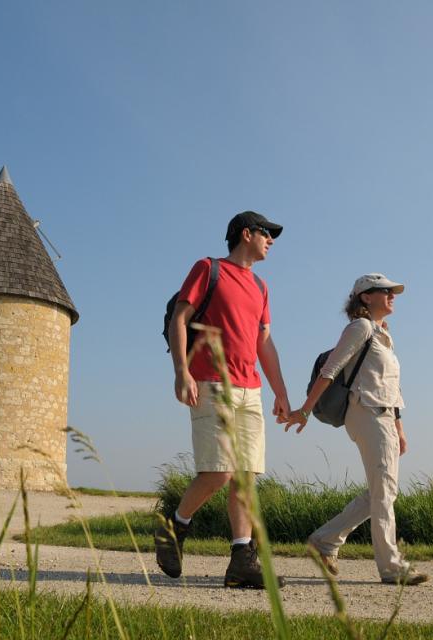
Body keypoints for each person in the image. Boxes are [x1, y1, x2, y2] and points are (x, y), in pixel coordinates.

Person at [155, 211, 291, 589]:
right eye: (267, 233)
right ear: (246, 234)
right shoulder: (208, 268)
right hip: (212, 382)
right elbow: (179, 319)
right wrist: (181, 371)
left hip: (251, 390)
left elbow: (263, 342)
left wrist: (280, 390)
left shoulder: (262, 287)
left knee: (245, 477)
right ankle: (173, 527)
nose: (272, 240)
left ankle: (241, 563)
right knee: (220, 471)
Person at [280, 273, 429, 586]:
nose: (392, 296)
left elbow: (392, 387)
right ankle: (391, 567)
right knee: (384, 492)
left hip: (385, 416)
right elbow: (330, 371)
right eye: (385, 291)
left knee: (382, 491)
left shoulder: (383, 336)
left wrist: (399, 427)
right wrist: (305, 411)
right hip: (367, 413)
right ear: (365, 297)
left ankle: (324, 540)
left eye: (393, 292)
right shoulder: (359, 328)